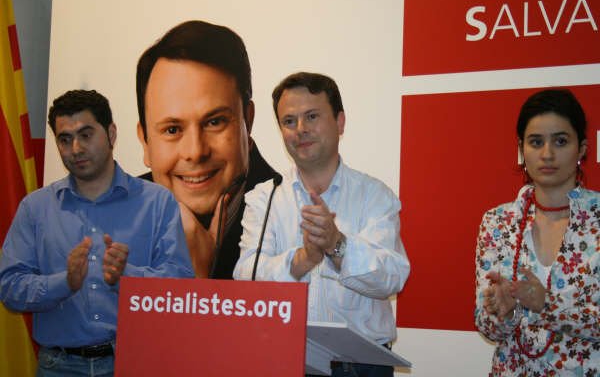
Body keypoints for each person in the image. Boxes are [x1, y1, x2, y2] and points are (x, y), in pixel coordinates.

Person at [0, 90, 194, 377]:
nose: (76, 148)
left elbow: (180, 286)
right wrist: (64, 282)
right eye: (65, 139)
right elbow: (9, 287)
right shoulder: (35, 208)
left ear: (111, 134)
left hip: (135, 360)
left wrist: (127, 277)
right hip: (58, 366)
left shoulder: (156, 202)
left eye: (86, 135)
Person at [234, 72, 410, 376]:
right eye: (289, 121)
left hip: (359, 366)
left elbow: (391, 278)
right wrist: (302, 260)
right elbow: (245, 280)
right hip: (280, 357)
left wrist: (336, 244)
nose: (300, 129)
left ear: (340, 122)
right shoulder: (265, 197)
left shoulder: (374, 196)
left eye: (312, 116)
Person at [136, 20, 278, 279]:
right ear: (145, 141)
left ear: (248, 121)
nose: (195, 151)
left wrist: (200, 284)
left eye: (214, 122)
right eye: (172, 129)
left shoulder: (298, 220)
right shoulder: (114, 217)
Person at [475, 89, 599, 376]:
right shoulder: (497, 222)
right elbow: (486, 326)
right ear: (522, 149)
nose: (547, 154)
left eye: (560, 141)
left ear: (581, 149)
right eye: (536, 142)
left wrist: (547, 304)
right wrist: (503, 311)